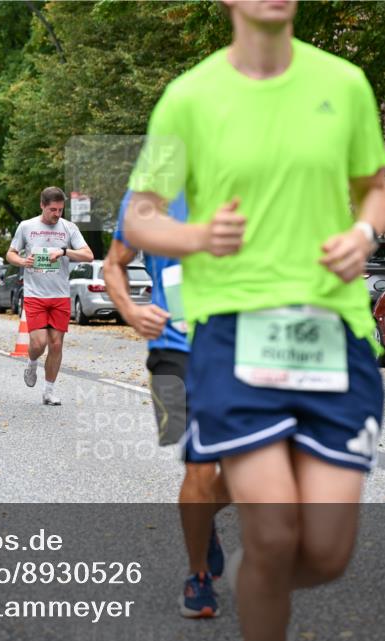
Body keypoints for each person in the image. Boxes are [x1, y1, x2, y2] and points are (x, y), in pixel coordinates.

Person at [124, 1, 385, 641]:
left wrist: (364, 234)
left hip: (335, 334)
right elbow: (141, 216)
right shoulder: (188, 98)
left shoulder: (344, 83)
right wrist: (197, 236)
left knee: (325, 552)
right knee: (272, 533)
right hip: (236, 339)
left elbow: (376, 188)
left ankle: (255, 578)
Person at [104, 190, 229, 618]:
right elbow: (114, 263)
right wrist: (131, 311)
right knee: (199, 461)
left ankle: (204, 521)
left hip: (241, 344)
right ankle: (198, 578)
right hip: (175, 347)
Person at [6, 186, 93, 406]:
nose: (57, 214)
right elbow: (10, 254)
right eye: (52, 209)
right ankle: (32, 360)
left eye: (60, 210)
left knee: (56, 344)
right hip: (35, 294)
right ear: (42, 205)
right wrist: (22, 261)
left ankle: (49, 391)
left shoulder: (68, 228)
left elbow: (88, 255)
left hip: (60, 295)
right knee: (39, 342)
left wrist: (64, 251)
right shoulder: (26, 227)